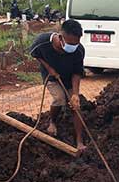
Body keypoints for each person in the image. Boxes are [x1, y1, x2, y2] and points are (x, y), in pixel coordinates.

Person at [29, 19, 86, 152]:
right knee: (60, 98)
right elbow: (35, 54)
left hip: (69, 77)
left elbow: (77, 73)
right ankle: (52, 122)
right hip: (52, 77)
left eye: (76, 43)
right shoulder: (42, 41)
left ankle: (79, 141)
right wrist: (48, 68)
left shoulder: (79, 50)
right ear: (61, 37)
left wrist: (75, 94)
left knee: (75, 106)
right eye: (71, 43)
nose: (73, 47)